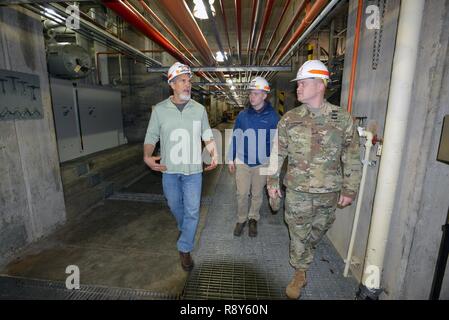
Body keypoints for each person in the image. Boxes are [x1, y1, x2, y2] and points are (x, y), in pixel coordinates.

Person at [267, 60, 361, 299]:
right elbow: (277, 153)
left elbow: (351, 156)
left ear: (320, 85)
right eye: (297, 84)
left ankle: (305, 254)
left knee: (317, 231)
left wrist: (350, 189)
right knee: (298, 233)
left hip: (328, 192)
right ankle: (300, 272)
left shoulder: (342, 119)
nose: (297, 88)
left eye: (303, 83)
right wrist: (272, 183)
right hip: (297, 191)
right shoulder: (289, 119)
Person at [143, 62, 217, 272]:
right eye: (183, 81)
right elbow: (151, 136)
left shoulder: (199, 109)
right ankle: (185, 230)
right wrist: (147, 155)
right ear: (172, 85)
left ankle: (185, 248)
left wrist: (213, 151)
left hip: (194, 171)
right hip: (169, 170)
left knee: (192, 211)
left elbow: (207, 134)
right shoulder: (159, 110)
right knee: (176, 207)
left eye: (189, 81)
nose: (188, 85)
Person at [228, 76, 280, 237]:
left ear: (265, 95)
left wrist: (274, 164)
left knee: (257, 194)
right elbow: (236, 136)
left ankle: (253, 219)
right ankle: (241, 219)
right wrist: (231, 158)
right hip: (243, 161)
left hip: (262, 163)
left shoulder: (273, 117)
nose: (252, 97)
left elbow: (277, 143)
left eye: (256, 94)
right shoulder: (243, 115)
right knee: (242, 193)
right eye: (251, 93)